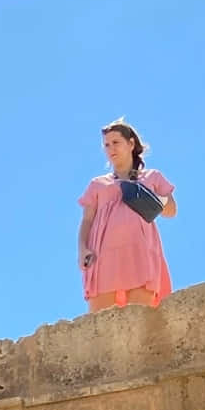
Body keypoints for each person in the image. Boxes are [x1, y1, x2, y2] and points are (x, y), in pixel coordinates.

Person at [77, 120, 177, 312]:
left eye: (116, 142)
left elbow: (171, 210)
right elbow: (87, 220)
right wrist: (82, 249)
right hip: (103, 256)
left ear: (131, 144)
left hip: (140, 252)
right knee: (100, 321)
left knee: (139, 317)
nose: (111, 149)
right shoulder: (97, 184)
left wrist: (151, 198)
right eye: (106, 145)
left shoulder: (152, 177)